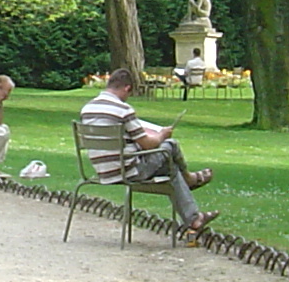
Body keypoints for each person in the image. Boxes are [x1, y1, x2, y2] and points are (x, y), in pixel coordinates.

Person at [80, 66, 217, 241]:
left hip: (103, 170)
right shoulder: (123, 110)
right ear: (127, 88)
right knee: (170, 146)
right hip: (128, 170)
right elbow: (147, 144)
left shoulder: (88, 109)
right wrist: (162, 134)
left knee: (172, 168)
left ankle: (194, 219)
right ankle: (189, 179)